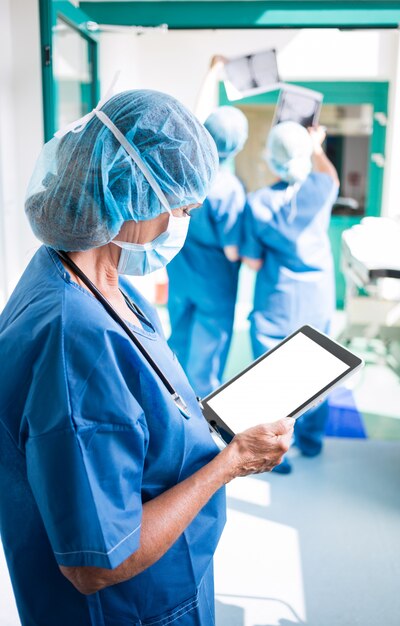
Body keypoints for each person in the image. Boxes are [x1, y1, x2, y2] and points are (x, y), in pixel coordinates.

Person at [0, 90, 294, 626]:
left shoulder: (91, 276)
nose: (185, 216)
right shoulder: (73, 338)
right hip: (128, 609)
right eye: (179, 204)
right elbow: (97, 564)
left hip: (168, 587)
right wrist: (230, 463)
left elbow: (141, 401)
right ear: (130, 190)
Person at [241, 121, 339, 474]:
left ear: (272, 159)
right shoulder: (320, 189)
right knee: (318, 367)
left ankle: (275, 452)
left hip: (277, 296)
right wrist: (316, 146)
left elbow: (252, 261)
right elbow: (331, 174)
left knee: (273, 374)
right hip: (317, 295)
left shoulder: (257, 202)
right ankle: (311, 442)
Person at [167, 105, 248, 398]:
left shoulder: (185, 174)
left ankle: (171, 409)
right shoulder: (229, 190)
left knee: (176, 347)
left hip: (181, 276)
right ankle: (202, 431)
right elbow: (232, 251)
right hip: (214, 285)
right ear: (239, 144)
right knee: (206, 362)